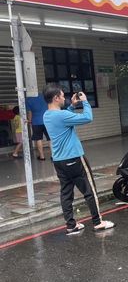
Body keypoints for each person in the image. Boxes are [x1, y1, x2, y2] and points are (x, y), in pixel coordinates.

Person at [43, 84, 114, 235]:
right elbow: (88, 117)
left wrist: (72, 106)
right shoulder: (61, 115)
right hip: (74, 158)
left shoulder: (47, 115)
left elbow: (64, 119)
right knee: (89, 190)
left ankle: (71, 225)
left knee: (66, 193)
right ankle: (98, 222)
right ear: (56, 98)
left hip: (58, 161)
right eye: (62, 96)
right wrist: (85, 102)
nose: (64, 98)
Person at [26, 91, 50, 160]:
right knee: (50, 139)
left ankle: (42, 156)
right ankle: (54, 156)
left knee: (38, 139)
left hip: (36, 122)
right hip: (47, 120)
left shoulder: (28, 99)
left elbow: (29, 112)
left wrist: (30, 120)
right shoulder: (43, 96)